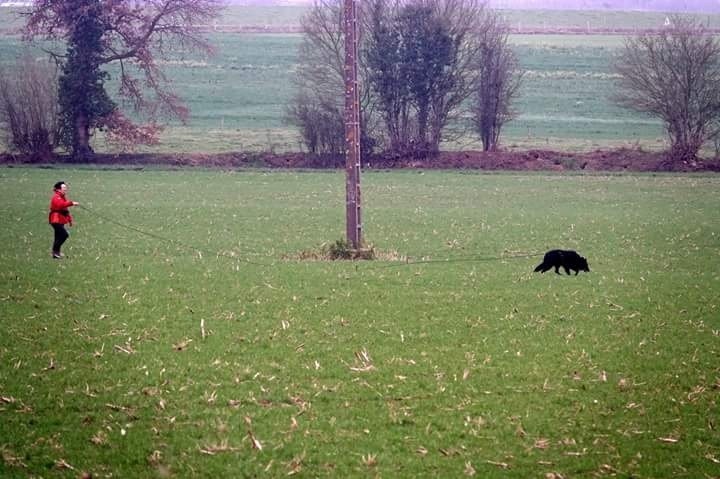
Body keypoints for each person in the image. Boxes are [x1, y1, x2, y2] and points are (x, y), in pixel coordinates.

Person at [49, 181, 79, 259]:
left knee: (58, 236)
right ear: (59, 189)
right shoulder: (56, 197)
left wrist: (69, 219)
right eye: (64, 188)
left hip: (60, 219)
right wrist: (72, 203)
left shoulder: (62, 197)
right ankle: (55, 252)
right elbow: (60, 205)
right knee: (64, 235)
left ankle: (56, 253)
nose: (66, 189)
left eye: (66, 187)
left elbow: (64, 209)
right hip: (55, 219)